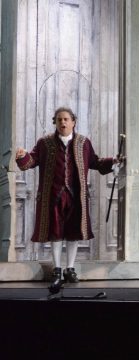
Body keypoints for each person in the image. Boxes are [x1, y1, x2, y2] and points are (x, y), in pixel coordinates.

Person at [15, 107, 120, 292]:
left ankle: (70, 269)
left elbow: (95, 162)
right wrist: (23, 158)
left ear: (73, 122)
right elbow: (31, 161)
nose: (62, 123)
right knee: (55, 232)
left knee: (73, 232)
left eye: (66, 119)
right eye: (59, 119)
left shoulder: (83, 143)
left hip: (76, 196)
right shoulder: (45, 142)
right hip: (52, 195)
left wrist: (113, 161)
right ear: (54, 122)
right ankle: (57, 269)